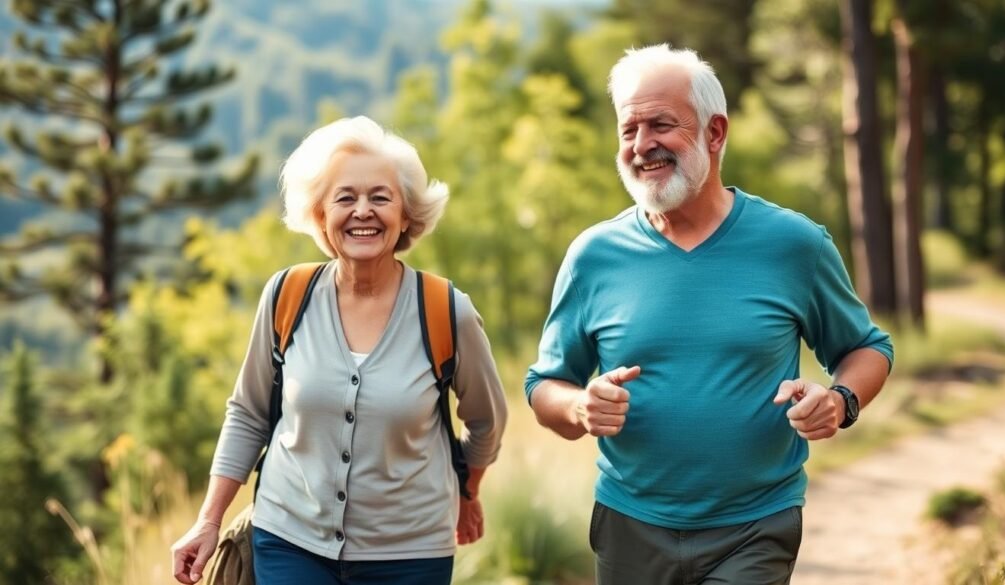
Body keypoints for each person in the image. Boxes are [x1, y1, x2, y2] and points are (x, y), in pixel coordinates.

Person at [524, 45, 893, 585]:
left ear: (715, 133)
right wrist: (580, 407)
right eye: (628, 130)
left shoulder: (794, 244)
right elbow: (544, 384)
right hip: (629, 525)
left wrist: (839, 401)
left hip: (755, 525)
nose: (642, 145)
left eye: (660, 125)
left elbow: (867, 348)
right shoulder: (593, 255)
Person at [172, 116, 508, 585]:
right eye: (345, 198)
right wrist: (208, 519)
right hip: (289, 540)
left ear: (407, 214)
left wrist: (466, 492)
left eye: (380, 197)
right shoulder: (286, 295)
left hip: (410, 554)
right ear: (320, 215)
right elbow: (247, 414)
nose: (362, 211)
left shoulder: (447, 311)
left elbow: (487, 420)